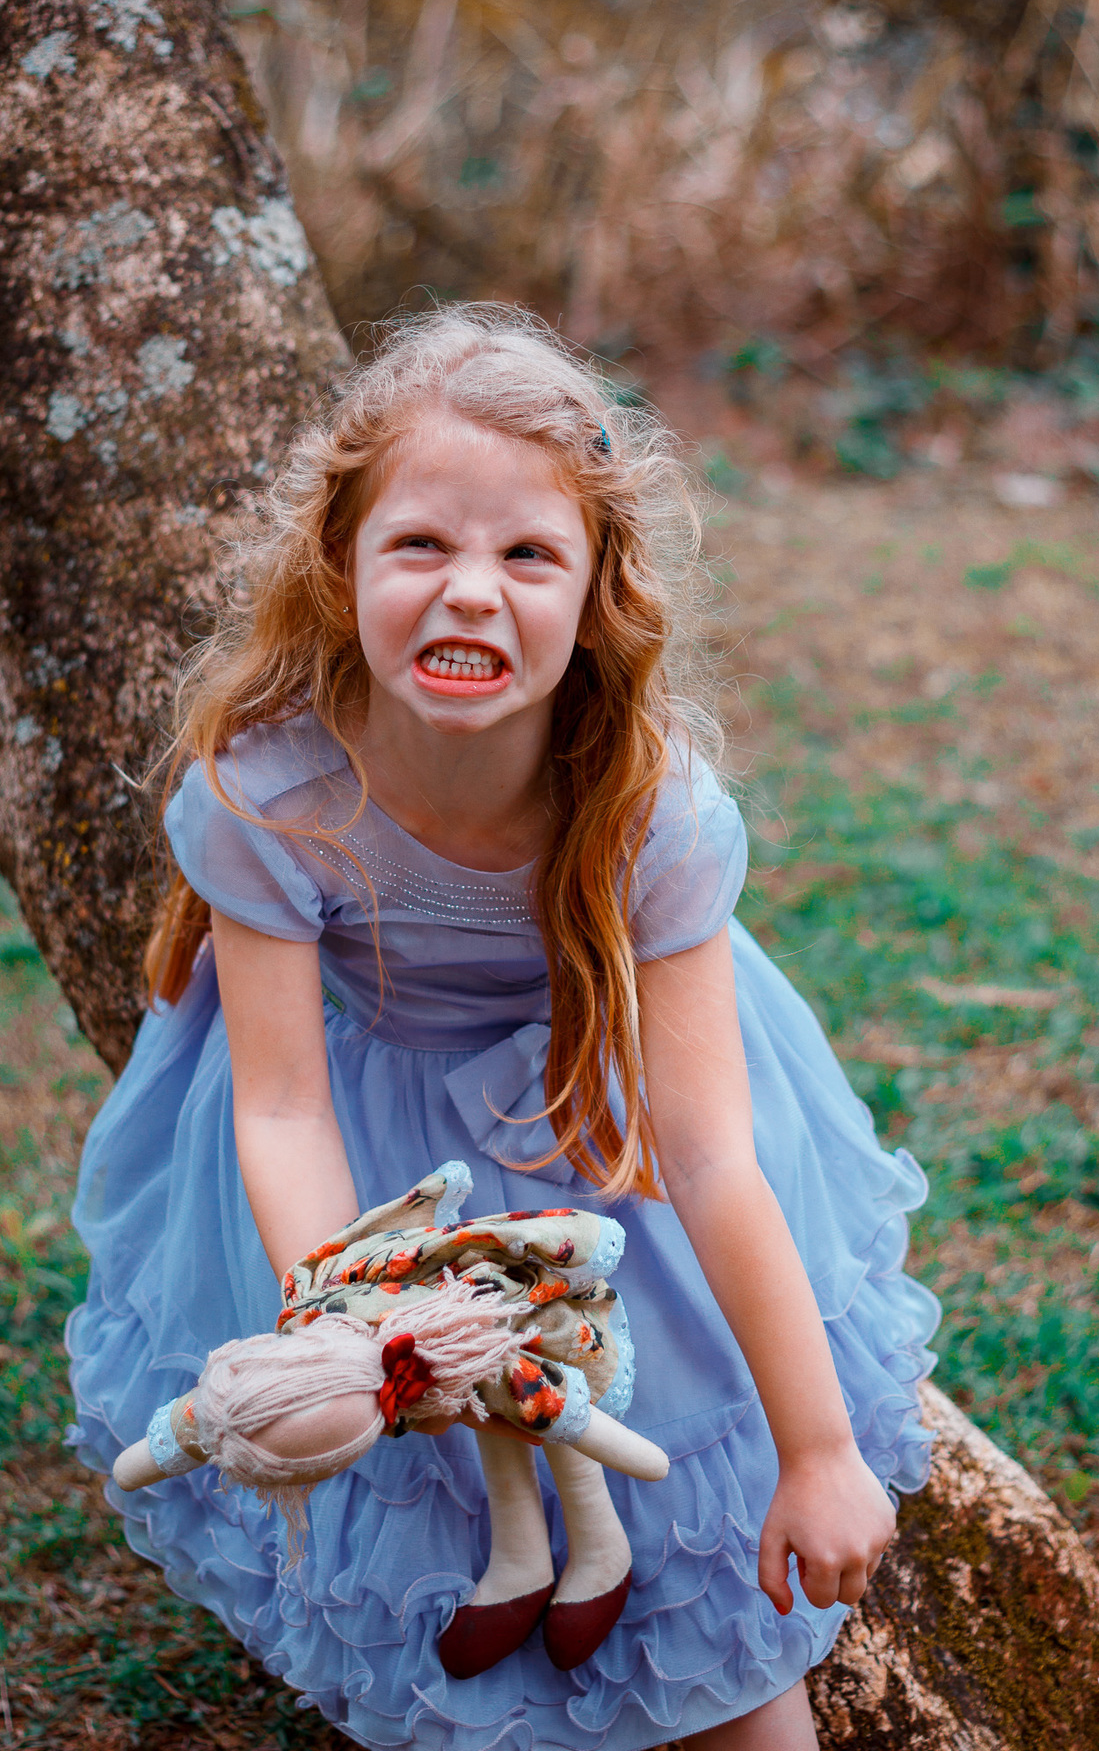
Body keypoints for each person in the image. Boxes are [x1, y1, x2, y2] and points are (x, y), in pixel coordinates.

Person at [67, 304, 940, 1751]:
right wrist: (361, 1319)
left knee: (715, 1620)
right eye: (421, 544)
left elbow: (713, 1152)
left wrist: (822, 1449)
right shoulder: (272, 794)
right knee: (432, 1547)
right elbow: (279, 1111)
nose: (471, 591)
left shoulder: (650, 818)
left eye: (529, 554)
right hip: (376, 1163)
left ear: (598, 591)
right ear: (338, 563)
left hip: (609, 1145)